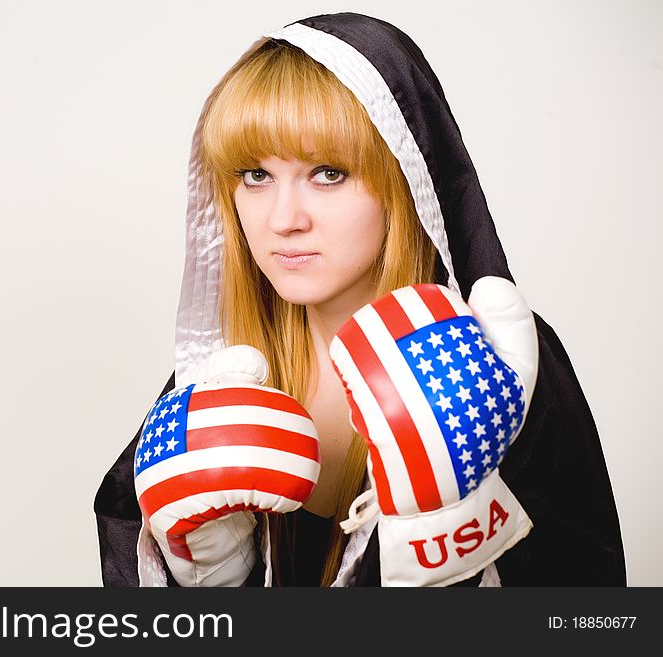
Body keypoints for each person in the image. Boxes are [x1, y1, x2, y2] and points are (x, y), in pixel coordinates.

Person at [93, 12, 626, 586]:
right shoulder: (223, 373)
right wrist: (205, 578)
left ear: (406, 178)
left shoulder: (495, 361)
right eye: (255, 175)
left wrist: (453, 546)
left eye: (327, 173)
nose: (283, 220)